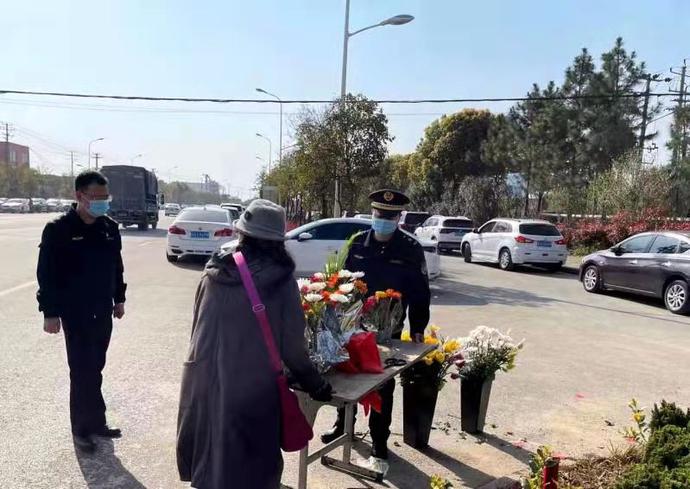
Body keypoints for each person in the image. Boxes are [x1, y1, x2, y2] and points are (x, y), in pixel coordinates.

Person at [176, 199, 333, 489]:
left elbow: (197, 326)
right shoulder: (279, 280)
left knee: (212, 459)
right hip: (252, 389)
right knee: (252, 469)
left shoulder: (213, 272)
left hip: (203, 382)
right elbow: (292, 348)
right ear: (277, 242)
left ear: (243, 234)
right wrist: (316, 384)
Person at [321, 189, 431, 470]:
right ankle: (342, 424)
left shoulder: (410, 248)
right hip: (353, 325)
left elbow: (420, 292)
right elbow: (342, 281)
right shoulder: (358, 242)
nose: (384, 220)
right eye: (380, 215)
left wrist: (418, 327)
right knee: (347, 374)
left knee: (382, 384)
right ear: (372, 214)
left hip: (388, 329)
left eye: (390, 217)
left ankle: (379, 441)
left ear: (398, 218)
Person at [36, 170, 126, 453]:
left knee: (95, 367)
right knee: (81, 370)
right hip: (75, 312)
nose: (103, 202)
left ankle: (97, 421)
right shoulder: (59, 229)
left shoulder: (108, 228)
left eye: (106, 197)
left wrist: (119, 298)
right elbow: (46, 274)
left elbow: (116, 266)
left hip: (103, 309)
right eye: (97, 197)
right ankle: (81, 429)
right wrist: (50, 312)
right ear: (79, 196)